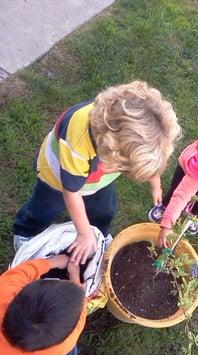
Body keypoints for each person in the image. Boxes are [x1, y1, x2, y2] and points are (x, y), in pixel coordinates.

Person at [14, 81, 181, 264]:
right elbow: (71, 191)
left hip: (97, 180)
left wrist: (155, 183)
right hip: (57, 179)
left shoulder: (116, 130)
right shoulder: (76, 143)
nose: (123, 171)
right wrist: (84, 233)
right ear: (112, 148)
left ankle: (100, 233)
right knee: (45, 208)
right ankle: (25, 232)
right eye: (123, 167)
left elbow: (148, 153)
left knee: (104, 210)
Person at [0, 255, 86, 355]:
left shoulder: (4, 294)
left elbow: (21, 273)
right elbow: (81, 309)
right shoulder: (63, 344)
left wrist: (52, 262)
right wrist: (75, 276)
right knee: (70, 354)